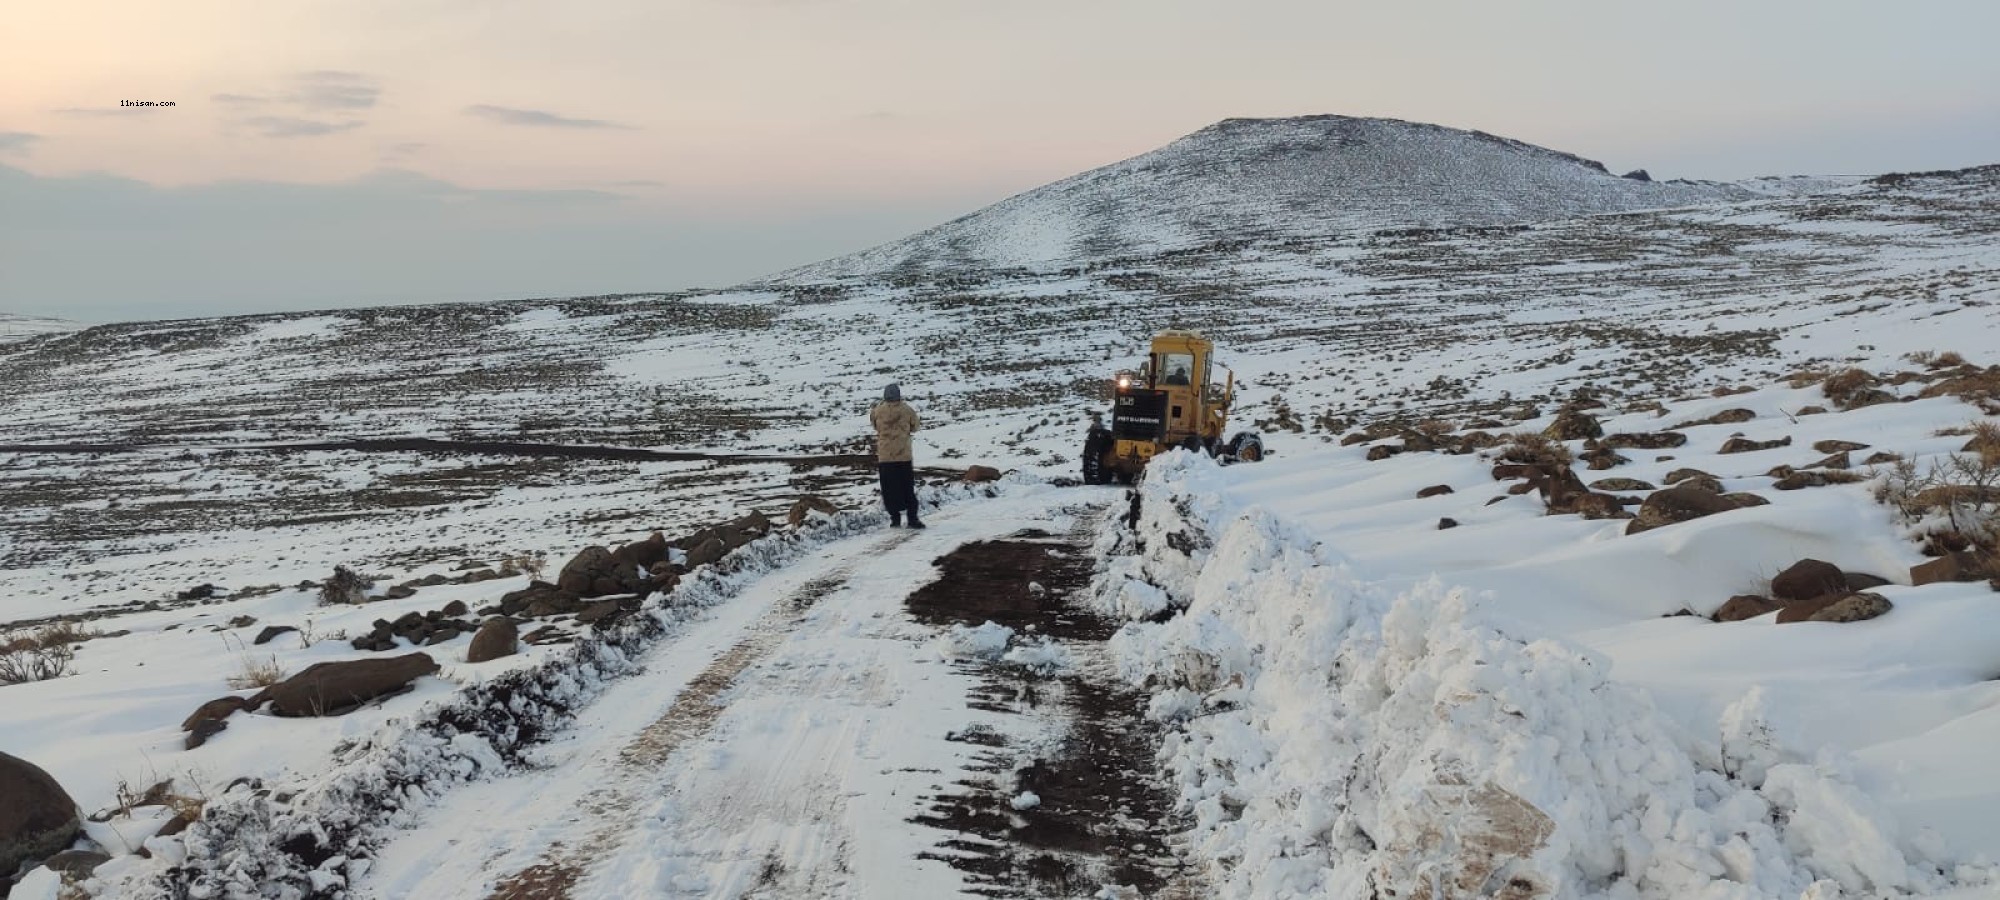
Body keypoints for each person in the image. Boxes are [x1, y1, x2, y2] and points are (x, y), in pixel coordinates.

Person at [870, 383, 923, 528]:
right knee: (907, 488)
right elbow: (916, 426)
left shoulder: (877, 411)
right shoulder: (907, 410)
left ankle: (895, 518)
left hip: (885, 457)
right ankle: (912, 519)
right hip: (903, 456)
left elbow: (874, 426)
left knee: (889, 489)